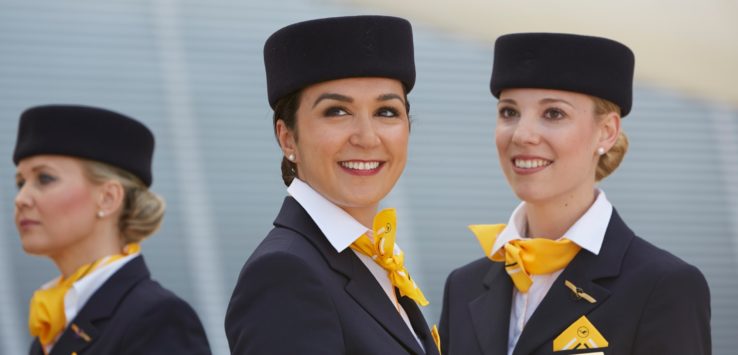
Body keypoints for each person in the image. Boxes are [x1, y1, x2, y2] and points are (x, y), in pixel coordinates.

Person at [439, 33, 711, 355]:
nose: (523, 135)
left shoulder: (663, 287)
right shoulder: (463, 287)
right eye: (509, 112)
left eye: (553, 114)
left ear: (607, 132)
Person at [225, 15, 440, 355]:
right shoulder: (285, 274)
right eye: (337, 111)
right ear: (288, 138)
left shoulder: (369, 259)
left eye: (386, 112)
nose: (367, 138)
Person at [13, 104, 212, 355]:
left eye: (44, 178)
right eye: (20, 182)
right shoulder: (52, 329)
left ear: (108, 198)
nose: (21, 198)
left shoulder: (158, 318)